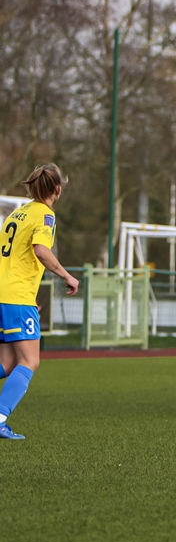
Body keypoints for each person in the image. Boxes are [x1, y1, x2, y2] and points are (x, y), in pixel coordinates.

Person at [0, 164, 79, 440]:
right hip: (17, 297)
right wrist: (66, 275)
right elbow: (41, 250)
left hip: (5, 293)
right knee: (30, 361)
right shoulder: (45, 215)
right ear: (57, 189)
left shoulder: (17, 213)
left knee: (8, 362)